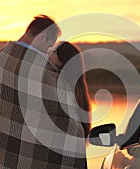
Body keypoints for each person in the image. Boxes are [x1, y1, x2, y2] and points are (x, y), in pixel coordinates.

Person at [0, 14, 64, 169]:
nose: (47, 52)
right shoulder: (41, 69)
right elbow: (59, 115)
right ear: (42, 37)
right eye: (48, 46)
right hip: (29, 158)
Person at [44, 41, 92, 169]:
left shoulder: (59, 83)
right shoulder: (75, 86)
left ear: (62, 61)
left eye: (54, 52)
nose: (49, 54)